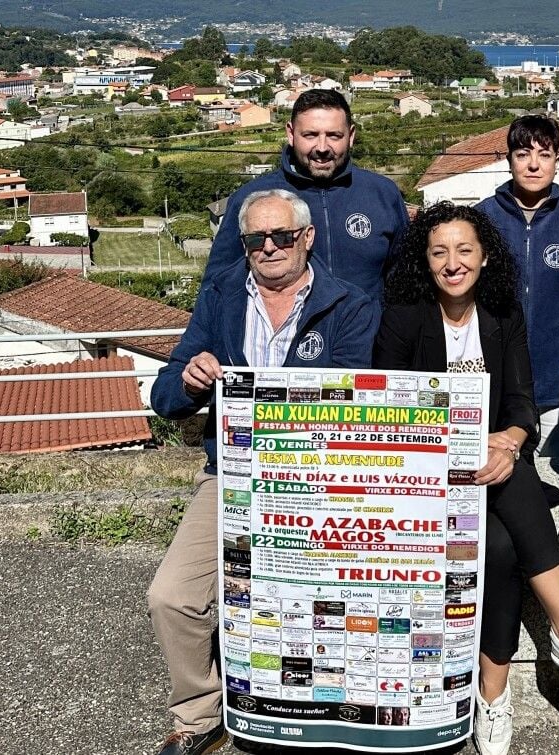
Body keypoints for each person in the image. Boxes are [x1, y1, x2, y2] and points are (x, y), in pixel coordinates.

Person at [372, 202, 559, 755]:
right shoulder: (404, 317)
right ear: (424, 262)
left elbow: (521, 404)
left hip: (492, 469)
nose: (453, 263)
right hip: (425, 471)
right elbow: (389, 410)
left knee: (502, 528)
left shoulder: (501, 313)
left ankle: (491, 696)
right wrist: (461, 450)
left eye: (465, 249)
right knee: (500, 532)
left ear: (485, 255)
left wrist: (513, 441)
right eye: (439, 251)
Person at [148, 188, 380, 755]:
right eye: (256, 239)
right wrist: (189, 381)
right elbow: (164, 395)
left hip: (324, 481)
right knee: (170, 596)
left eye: (281, 236)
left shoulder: (350, 305)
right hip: (231, 475)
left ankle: (335, 708)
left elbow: (358, 404)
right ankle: (201, 714)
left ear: (307, 238)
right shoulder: (221, 294)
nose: (269, 247)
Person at [204, 89, 408, 304]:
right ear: (291, 134)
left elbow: (406, 280)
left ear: (351, 136)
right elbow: (216, 287)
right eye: (310, 135)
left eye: (334, 136)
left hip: (369, 336)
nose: (322, 148)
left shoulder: (383, 194)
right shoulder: (252, 198)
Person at [476, 115, 559, 454]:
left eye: (545, 154)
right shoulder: (480, 219)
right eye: (523, 154)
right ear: (508, 159)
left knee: (558, 478)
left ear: (558, 161)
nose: (534, 165)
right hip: (494, 384)